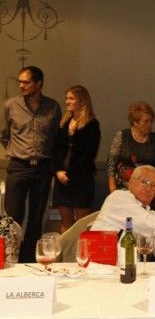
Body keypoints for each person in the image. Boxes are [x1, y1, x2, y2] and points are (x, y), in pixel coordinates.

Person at [1, 66, 62, 262]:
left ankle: (28, 260)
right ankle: (11, 259)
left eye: (26, 82)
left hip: (43, 167)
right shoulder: (11, 105)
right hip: (18, 166)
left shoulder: (52, 106)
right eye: (20, 81)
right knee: (12, 217)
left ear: (38, 84)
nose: (21, 85)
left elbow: (56, 138)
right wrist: (17, 151)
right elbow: (4, 136)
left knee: (37, 216)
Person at [52, 85, 101, 234]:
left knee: (81, 226)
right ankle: (66, 255)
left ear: (82, 101)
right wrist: (58, 171)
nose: (67, 101)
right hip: (62, 178)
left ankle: (81, 256)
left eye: (71, 98)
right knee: (65, 223)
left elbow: (88, 154)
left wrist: (70, 174)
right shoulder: (64, 122)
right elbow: (56, 149)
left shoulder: (92, 124)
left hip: (81, 179)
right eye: (66, 98)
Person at [106, 101, 155, 193]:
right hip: (123, 189)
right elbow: (111, 164)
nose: (149, 125)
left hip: (146, 190)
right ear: (135, 122)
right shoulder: (122, 136)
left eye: (151, 121)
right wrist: (112, 189)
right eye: (146, 121)